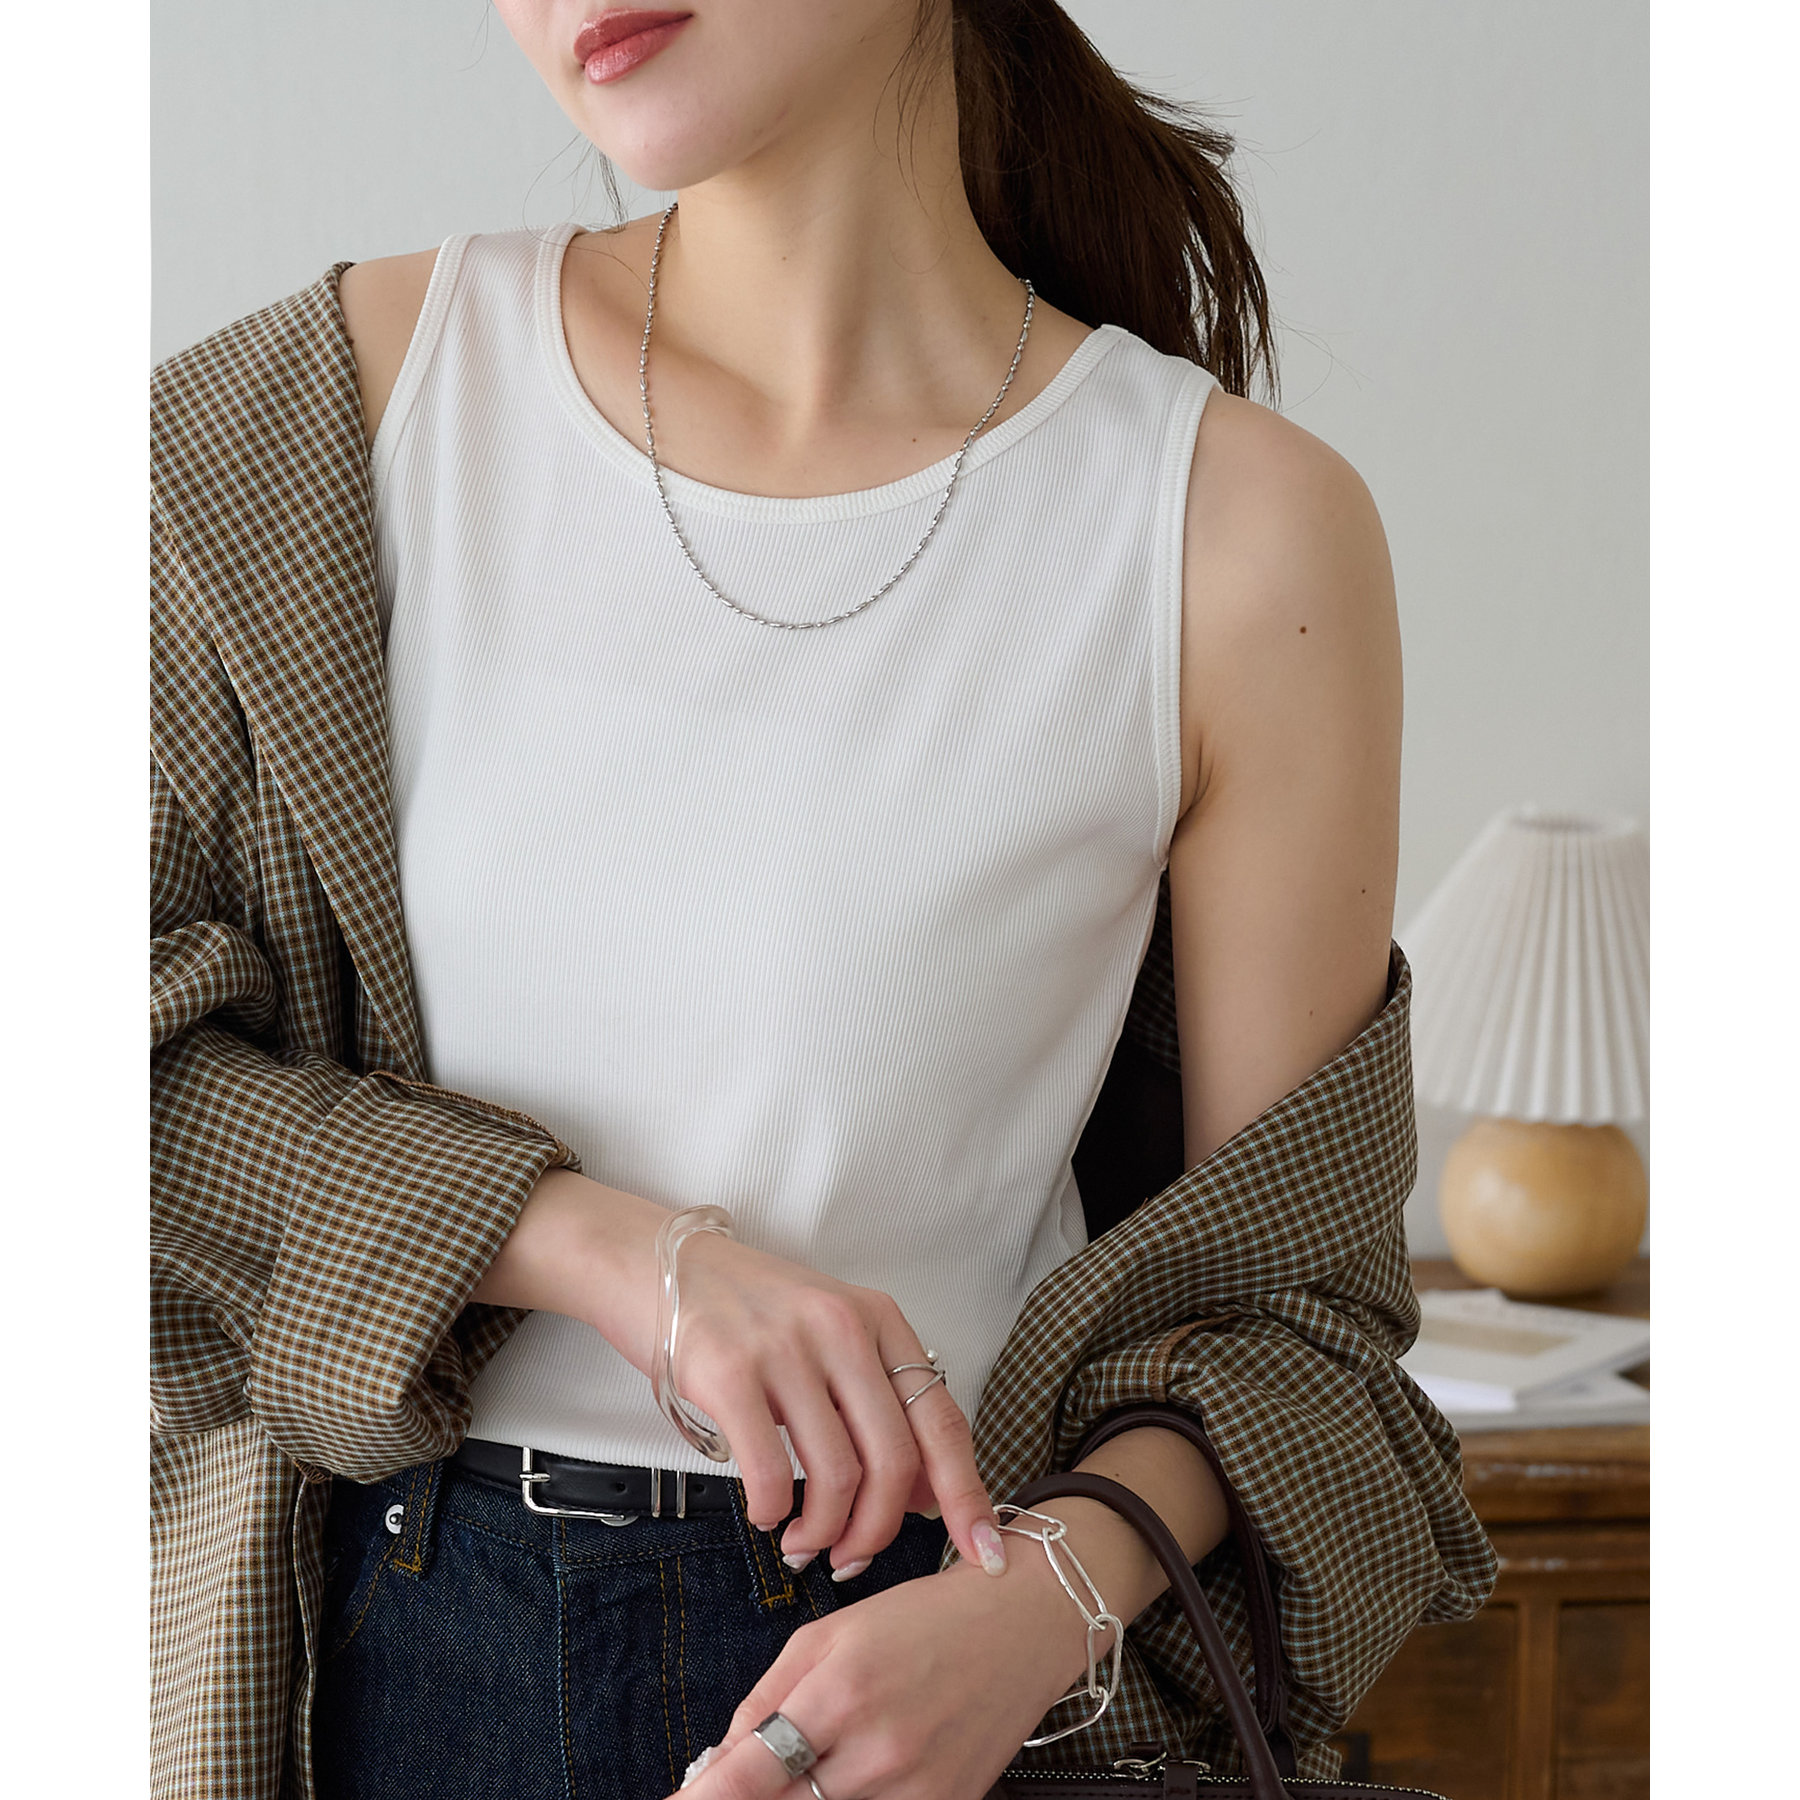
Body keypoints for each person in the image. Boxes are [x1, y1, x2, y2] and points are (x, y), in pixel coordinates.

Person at [149, 4, 1496, 1798]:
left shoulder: (1233, 532)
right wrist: (601, 1248)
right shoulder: (314, 425)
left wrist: (1035, 1614)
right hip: (378, 1674)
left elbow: (1298, 1317)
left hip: (924, 1697)